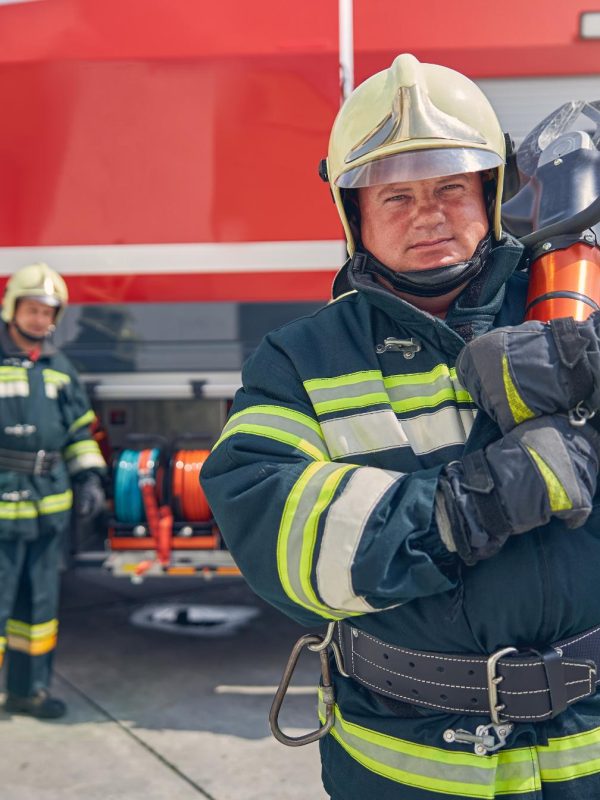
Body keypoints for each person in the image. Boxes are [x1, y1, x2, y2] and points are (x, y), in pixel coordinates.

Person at [200, 53, 600, 799]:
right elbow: (272, 529)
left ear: (492, 194)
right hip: (405, 768)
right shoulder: (299, 361)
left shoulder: (570, 307)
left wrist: (589, 367)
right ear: (355, 217)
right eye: (396, 197)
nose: (429, 214)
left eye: (452, 187)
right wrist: (469, 503)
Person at [0, 262, 106, 719]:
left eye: (48, 312)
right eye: (32, 310)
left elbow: (80, 431)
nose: (40, 320)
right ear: (12, 309)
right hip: (4, 505)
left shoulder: (61, 369)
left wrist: (89, 478)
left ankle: (29, 692)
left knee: (38, 608)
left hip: (49, 507)